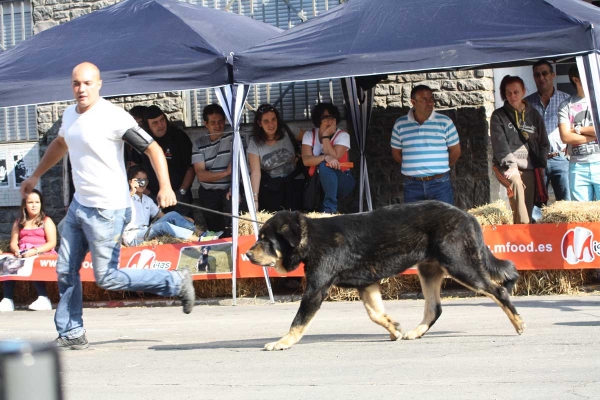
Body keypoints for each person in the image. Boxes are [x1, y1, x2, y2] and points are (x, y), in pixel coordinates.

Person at [19, 62, 195, 351]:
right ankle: (72, 331)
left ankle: (175, 282)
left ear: (99, 84)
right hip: (79, 206)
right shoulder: (69, 114)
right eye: (76, 83)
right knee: (65, 269)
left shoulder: (113, 117)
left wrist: (164, 186)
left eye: (87, 83)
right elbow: (61, 144)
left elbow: (152, 147)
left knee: (107, 277)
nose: (81, 89)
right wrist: (36, 174)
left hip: (108, 210)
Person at [490, 75, 549, 224]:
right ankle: (521, 233)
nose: (512, 96)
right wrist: (512, 166)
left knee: (529, 207)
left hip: (530, 166)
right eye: (508, 93)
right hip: (507, 166)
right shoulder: (498, 115)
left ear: (523, 91)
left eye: (516, 92)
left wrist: (540, 163)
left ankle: (527, 236)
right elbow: (500, 144)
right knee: (516, 183)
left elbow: (543, 142)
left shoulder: (534, 114)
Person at [390, 84, 461, 204]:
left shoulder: (445, 122)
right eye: (424, 99)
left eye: (431, 99)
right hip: (412, 185)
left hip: (440, 184)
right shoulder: (400, 124)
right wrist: (412, 166)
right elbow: (396, 153)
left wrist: (440, 167)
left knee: (444, 221)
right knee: (414, 222)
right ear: (413, 102)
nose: (429, 103)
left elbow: (456, 151)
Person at [131, 105, 195, 216]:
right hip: (152, 196)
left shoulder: (179, 136)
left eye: (162, 120)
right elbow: (134, 169)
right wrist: (147, 193)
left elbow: (190, 168)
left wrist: (182, 191)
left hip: (179, 194)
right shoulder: (142, 140)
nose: (160, 125)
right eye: (155, 123)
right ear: (148, 126)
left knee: (184, 229)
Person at [0, 189, 57, 312]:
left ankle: (43, 298)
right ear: (25, 205)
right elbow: (13, 243)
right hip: (23, 253)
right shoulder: (19, 222)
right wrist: (16, 251)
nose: (34, 205)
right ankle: (7, 299)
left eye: (37, 202)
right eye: (30, 202)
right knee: (7, 261)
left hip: (41, 252)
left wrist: (35, 251)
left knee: (33, 261)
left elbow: (52, 242)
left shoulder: (46, 221)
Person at [524, 60, 571, 201]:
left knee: (566, 205)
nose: (541, 78)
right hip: (537, 161)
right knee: (537, 207)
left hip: (560, 159)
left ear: (553, 75)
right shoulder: (527, 103)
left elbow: (572, 127)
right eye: (537, 75)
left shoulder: (566, 100)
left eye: (545, 73)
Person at [122, 165, 201, 246]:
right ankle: (198, 240)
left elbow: (163, 216)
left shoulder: (147, 200)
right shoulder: (125, 198)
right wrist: (132, 191)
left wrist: (183, 218)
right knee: (163, 226)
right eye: (139, 180)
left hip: (146, 231)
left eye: (145, 180)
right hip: (133, 237)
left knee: (172, 214)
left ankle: (201, 234)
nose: (143, 183)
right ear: (130, 182)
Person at [248, 104, 304, 212]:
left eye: (274, 119)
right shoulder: (254, 143)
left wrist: (302, 153)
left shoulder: (288, 131)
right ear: (259, 123)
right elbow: (255, 173)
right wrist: (254, 200)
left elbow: (311, 138)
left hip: (295, 185)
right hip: (272, 190)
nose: (271, 124)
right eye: (266, 121)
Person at [301, 103, 355, 214]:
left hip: (342, 179)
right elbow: (306, 160)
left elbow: (335, 157)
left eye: (332, 117)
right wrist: (325, 157)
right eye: (325, 117)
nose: (329, 121)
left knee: (324, 166)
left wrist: (325, 135)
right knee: (324, 163)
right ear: (318, 119)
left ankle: (330, 209)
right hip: (317, 182)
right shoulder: (309, 135)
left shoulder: (343, 135)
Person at [559, 65, 600, 201]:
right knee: (582, 216)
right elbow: (565, 136)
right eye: (586, 75)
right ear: (576, 80)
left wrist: (577, 129)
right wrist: (596, 134)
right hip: (577, 167)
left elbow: (570, 133)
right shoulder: (566, 105)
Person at [192, 104, 233, 236]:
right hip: (208, 193)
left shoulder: (234, 137)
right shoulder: (198, 144)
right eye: (213, 122)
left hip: (230, 191)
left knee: (232, 229)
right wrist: (226, 173)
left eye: (220, 121)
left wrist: (234, 186)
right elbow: (201, 175)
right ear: (205, 124)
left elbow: (240, 168)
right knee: (214, 231)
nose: (218, 125)